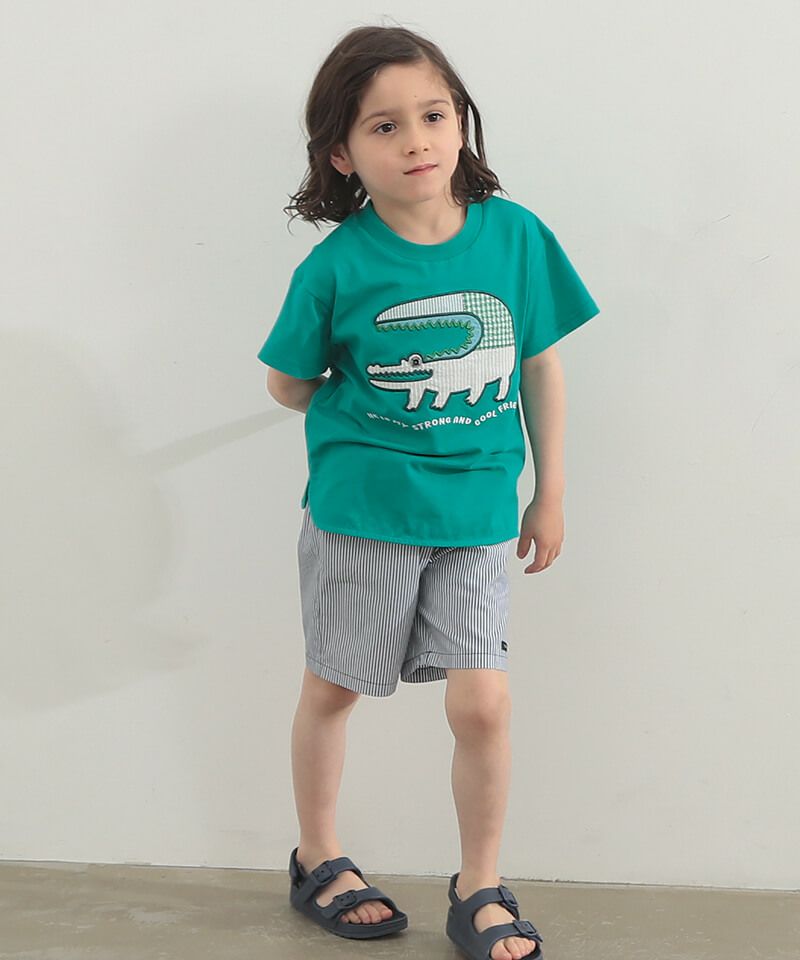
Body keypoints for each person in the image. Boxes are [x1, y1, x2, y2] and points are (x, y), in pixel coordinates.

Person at [257, 22, 599, 960]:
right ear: (342, 153)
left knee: (483, 705)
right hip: (363, 513)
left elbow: (539, 366)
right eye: (384, 126)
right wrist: (349, 399)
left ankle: (479, 883)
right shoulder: (336, 266)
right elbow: (286, 384)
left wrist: (550, 491)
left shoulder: (516, 236)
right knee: (336, 686)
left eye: (434, 115)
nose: (416, 141)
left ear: (461, 123)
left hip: (479, 510)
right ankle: (318, 856)